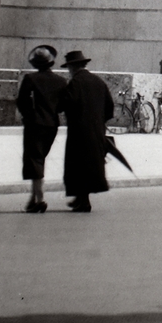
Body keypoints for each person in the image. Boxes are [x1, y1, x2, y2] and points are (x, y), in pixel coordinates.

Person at [59, 50, 115, 212]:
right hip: (97, 131)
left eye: (69, 67)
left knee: (78, 165)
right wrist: (98, 121)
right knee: (90, 165)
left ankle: (83, 201)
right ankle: (80, 198)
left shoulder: (76, 82)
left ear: (73, 66)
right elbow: (109, 107)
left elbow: (67, 103)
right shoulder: (98, 81)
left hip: (79, 131)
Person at [16, 44, 63, 214]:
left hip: (35, 124)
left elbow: (21, 101)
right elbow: (62, 105)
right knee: (39, 158)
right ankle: (32, 198)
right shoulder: (60, 81)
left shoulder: (30, 79)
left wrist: (29, 115)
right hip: (52, 125)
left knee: (34, 160)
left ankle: (39, 198)